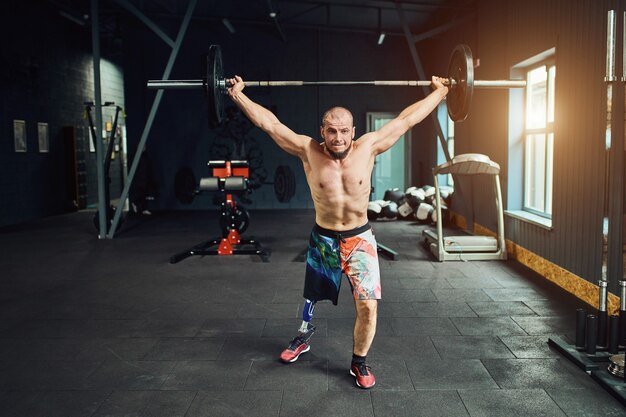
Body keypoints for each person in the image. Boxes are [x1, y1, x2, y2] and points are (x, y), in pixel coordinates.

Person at [226, 74, 449, 389]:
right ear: (322, 131)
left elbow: (406, 120)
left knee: (368, 305)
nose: (338, 137)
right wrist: (237, 96)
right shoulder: (308, 150)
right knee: (312, 296)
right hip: (324, 239)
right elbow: (271, 125)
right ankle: (303, 337)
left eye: (344, 131)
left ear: (353, 131)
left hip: (360, 239)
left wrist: (440, 93)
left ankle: (359, 362)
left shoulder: (369, 146)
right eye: (331, 131)